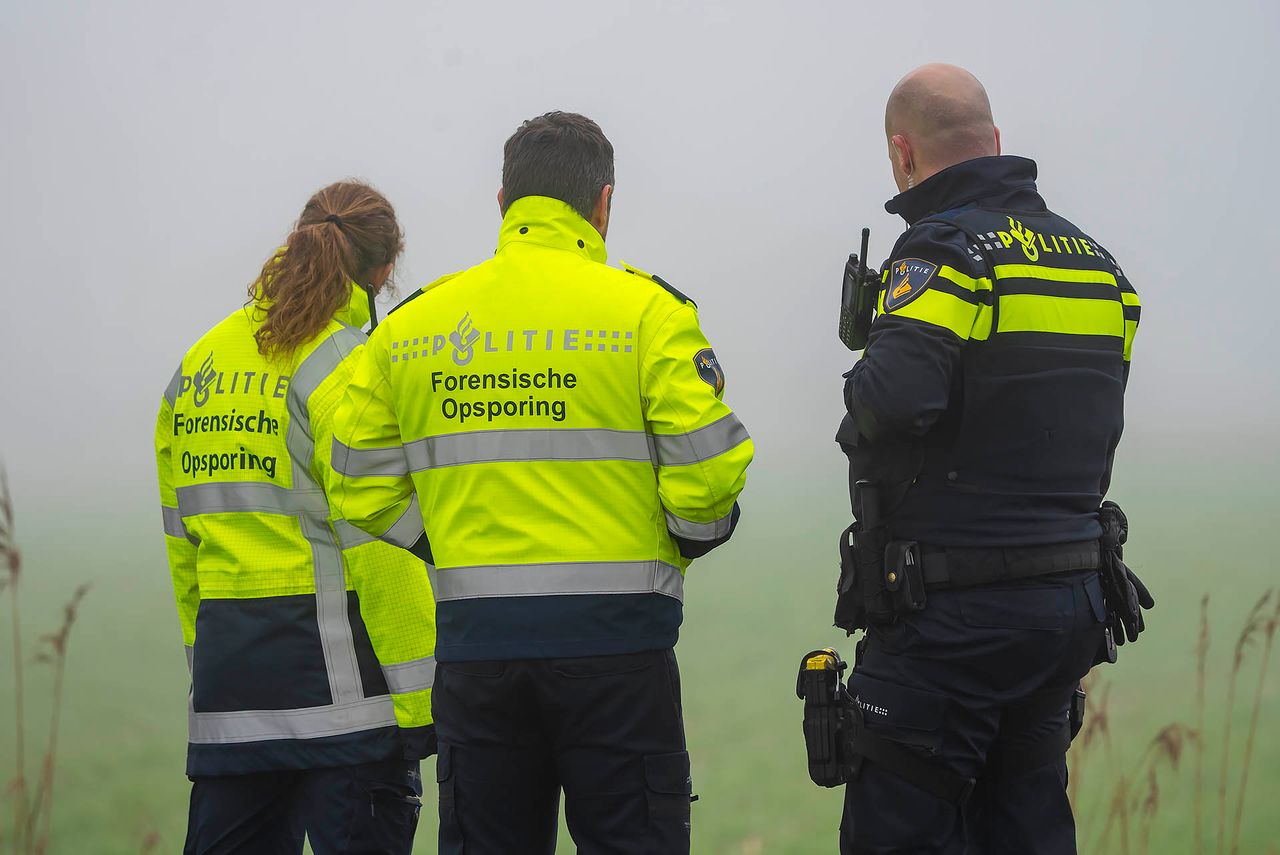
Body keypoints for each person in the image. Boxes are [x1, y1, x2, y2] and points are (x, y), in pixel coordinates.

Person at [327, 111, 754, 854]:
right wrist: (683, 539)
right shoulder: (649, 313)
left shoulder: (412, 326)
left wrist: (444, 544)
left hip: (477, 656)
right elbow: (710, 468)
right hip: (621, 654)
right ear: (604, 204)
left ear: (503, 204)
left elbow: (355, 477)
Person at [834, 65, 1149, 854]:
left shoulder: (941, 252)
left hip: (950, 617)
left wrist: (869, 345)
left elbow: (891, 404)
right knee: (1029, 821)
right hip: (1066, 608)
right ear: (997, 142)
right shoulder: (1101, 267)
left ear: (903, 154)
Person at [154, 181, 437, 854]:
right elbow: (379, 543)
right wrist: (424, 706)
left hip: (230, 703)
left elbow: (183, 546)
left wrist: (211, 676)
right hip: (345, 711)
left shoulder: (196, 367)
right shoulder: (347, 363)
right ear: (382, 270)